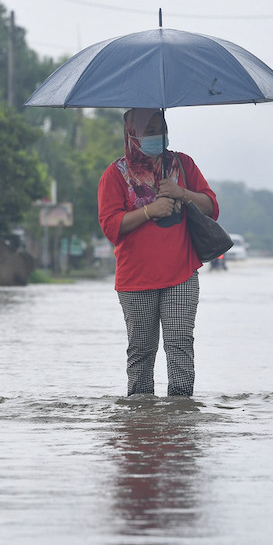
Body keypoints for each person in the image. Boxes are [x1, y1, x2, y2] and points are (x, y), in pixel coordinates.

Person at [97, 108, 221, 397]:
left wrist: (182, 193)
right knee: (141, 353)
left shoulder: (183, 164)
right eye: (148, 129)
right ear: (131, 133)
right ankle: (141, 423)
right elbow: (110, 226)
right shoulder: (114, 175)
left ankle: (180, 418)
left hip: (181, 274)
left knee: (179, 345)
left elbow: (212, 207)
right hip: (135, 279)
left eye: (160, 127)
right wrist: (149, 211)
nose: (156, 135)